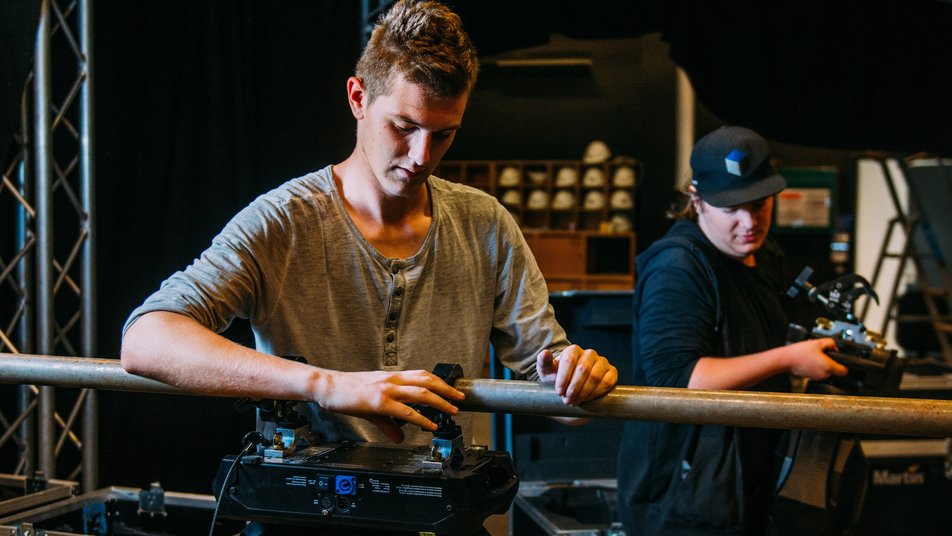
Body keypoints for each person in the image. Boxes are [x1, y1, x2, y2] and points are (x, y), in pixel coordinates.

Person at [119, 0, 617, 450]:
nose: (421, 156)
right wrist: (326, 385)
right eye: (404, 127)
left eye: (444, 135)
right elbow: (147, 340)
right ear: (358, 98)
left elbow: (554, 391)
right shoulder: (284, 221)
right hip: (304, 504)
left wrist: (577, 377)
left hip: (439, 502)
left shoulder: (486, 225)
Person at [616, 126, 848, 535]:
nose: (749, 223)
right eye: (731, 209)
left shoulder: (761, 254)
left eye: (759, 205)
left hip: (745, 484)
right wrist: (790, 360)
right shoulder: (678, 268)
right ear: (697, 200)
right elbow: (678, 381)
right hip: (684, 498)